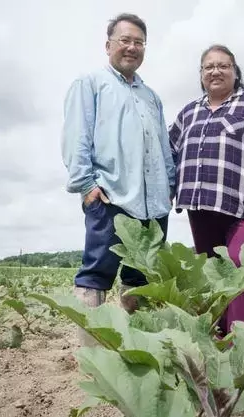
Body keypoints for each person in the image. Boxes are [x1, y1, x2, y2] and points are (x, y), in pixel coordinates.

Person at [61, 13, 175, 345]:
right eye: (125, 40)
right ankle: (94, 355)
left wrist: (168, 187)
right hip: (111, 196)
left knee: (142, 278)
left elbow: (163, 147)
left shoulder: (151, 96)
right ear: (108, 44)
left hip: (153, 204)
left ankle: (137, 346)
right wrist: (86, 185)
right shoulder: (91, 83)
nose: (132, 47)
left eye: (139, 42)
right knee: (96, 274)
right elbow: (76, 137)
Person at [168, 44, 244, 336]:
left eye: (223, 65)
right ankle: (220, 333)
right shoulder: (188, 113)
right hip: (202, 203)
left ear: (235, 72)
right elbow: (168, 153)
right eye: (209, 67)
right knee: (211, 270)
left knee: (240, 264)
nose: (216, 71)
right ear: (201, 74)